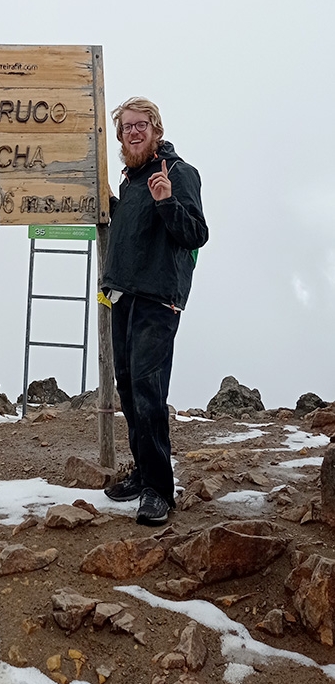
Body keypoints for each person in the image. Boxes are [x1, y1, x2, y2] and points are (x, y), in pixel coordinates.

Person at [102, 97, 208, 525]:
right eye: (126, 127)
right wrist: (112, 205)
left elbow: (196, 233)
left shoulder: (178, 173)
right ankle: (143, 473)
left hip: (158, 298)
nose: (133, 132)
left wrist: (166, 199)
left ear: (156, 128)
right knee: (127, 388)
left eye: (140, 124)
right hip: (124, 295)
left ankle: (159, 490)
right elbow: (134, 231)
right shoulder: (131, 181)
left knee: (148, 392)